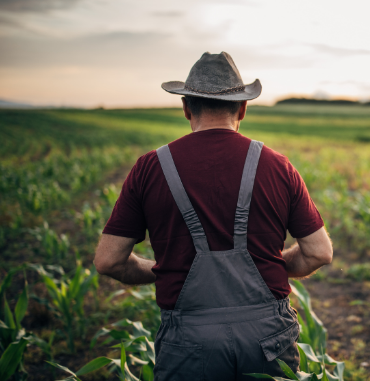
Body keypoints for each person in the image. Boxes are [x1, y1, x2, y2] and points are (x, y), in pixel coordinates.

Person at [94, 51, 333, 380]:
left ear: (186, 107)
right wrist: (274, 265)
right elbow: (319, 252)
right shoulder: (278, 166)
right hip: (267, 337)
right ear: (243, 108)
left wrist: (162, 271)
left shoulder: (150, 168)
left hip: (188, 339)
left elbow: (109, 261)